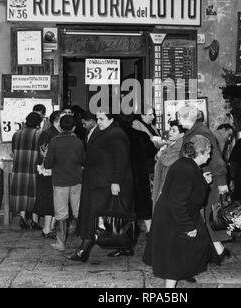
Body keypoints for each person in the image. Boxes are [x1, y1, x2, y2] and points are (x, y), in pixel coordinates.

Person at [143, 135, 213, 288]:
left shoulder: (187, 164)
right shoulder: (186, 168)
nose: (210, 156)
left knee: (179, 255)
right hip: (174, 217)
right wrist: (187, 226)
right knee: (175, 257)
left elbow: (188, 188)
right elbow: (178, 200)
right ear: (200, 152)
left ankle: (176, 281)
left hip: (174, 214)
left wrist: (202, 180)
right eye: (208, 152)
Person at [67, 111, 133, 262]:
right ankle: (125, 245)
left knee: (95, 215)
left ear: (111, 119)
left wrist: (115, 182)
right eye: (97, 119)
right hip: (97, 180)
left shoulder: (117, 134)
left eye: (102, 119)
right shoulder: (103, 131)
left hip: (106, 182)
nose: (99, 121)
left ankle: (83, 250)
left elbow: (121, 160)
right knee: (104, 213)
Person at [178, 105, 231, 263]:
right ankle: (219, 252)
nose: (178, 120)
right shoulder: (195, 131)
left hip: (209, 182)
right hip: (203, 180)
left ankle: (218, 253)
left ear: (189, 118)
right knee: (205, 218)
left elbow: (217, 160)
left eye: (180, 117)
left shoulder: (201, 133)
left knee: (207, 218)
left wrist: (221, 183)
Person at [44, 115, 85, 252]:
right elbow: (83, 160)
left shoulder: (54, 142)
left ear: (60, 127)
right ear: (74, 127)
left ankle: (61, 243)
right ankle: (82, 241)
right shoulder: (78, 142)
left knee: (61, 214)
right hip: (76, 181)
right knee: (79, 212)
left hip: (60, 182)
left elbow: (48, 164)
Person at [132, 106, 164, 233]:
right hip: (146, 166)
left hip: (153, 164)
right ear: (141, 115)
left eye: (153, 114)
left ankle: (152, 226)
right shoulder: (137, 125)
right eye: (150, 114)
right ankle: (150, 228)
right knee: (149, 196)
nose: (153, 117)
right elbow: (146, 144)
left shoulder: (151, 126)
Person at [11, 112, 42, 230]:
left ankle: (23, 218)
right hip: (34, 168)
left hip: (19, 168)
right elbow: (43, 152)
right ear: (38, 123)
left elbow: (14, 151)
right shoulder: (40, 134)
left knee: (21, 192)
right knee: (34, 193)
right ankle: (34, 221)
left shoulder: (16, 134)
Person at [33, 110, 62, 239]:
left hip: (55, 170)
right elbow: (43, 151)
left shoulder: (58, 133)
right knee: (50, 200)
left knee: (54, 200)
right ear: (56, 120)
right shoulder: (47, 133)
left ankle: (49, 228)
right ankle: (47, 228)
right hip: (47, 171)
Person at [153, 121, 185, 207]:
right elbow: (157, 158)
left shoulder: (180, 144)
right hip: (165, 180)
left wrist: (162, 151)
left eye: (174, 131)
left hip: (169, 183)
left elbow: (166, 161)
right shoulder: (173, 143)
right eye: (170, 129)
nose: (170, 132)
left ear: (181, 134)